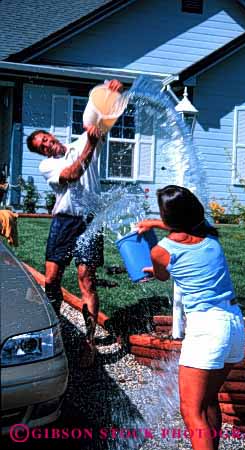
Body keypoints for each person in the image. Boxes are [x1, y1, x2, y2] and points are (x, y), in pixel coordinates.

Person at [137, 185, 245, 450]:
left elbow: (162, 274)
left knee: (190, 411)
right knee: (208, 400)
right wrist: (156, 222)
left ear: (168, 217)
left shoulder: (161, 251)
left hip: (206, 327)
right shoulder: (210, 235)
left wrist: (155, 264)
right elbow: (187, 226)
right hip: (233, 323)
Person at [26, 79, 123, 367]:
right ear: (41, 154)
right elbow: (70, 175)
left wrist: (109, 93)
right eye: (41, 147)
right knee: (53, 279)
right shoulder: (48, 166)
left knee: (87, 280)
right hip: (65, 222)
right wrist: (89, 147)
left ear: (52, 136)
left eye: (46, 139)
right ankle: (54, 332)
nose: (47, 145)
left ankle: (89, 342)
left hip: (89, 221)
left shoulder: (82, 140)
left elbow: (102, 120)